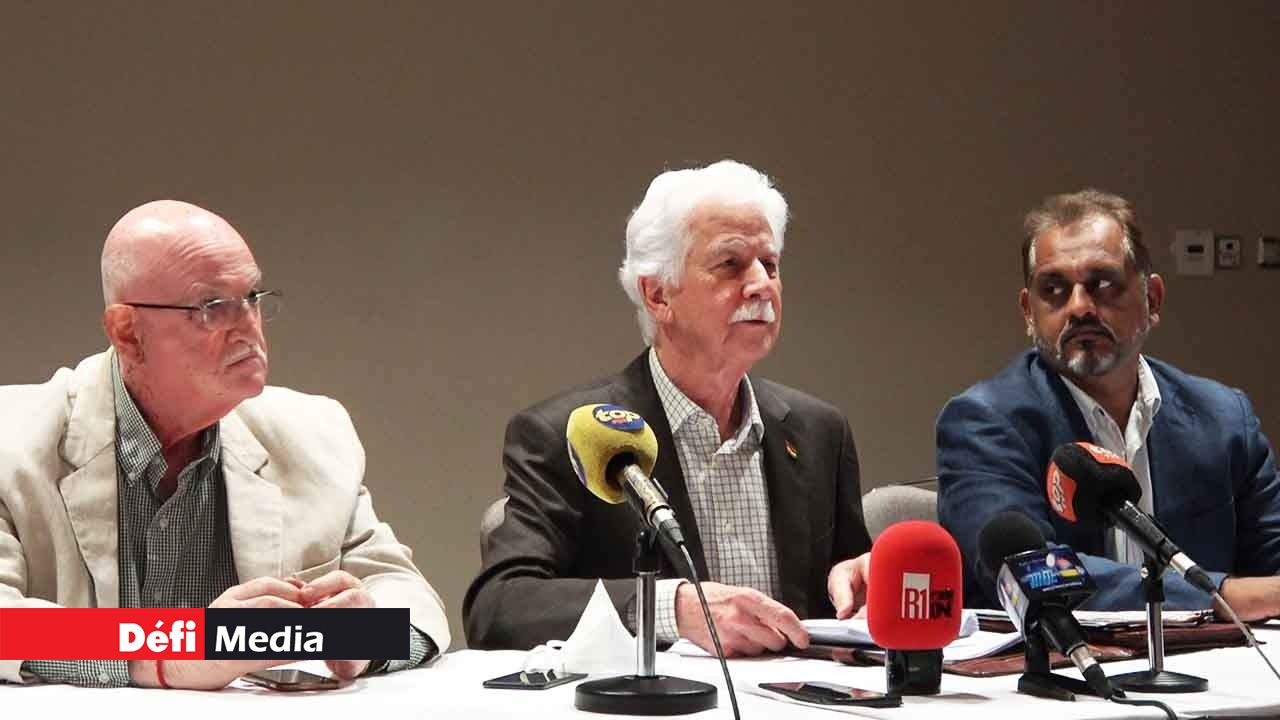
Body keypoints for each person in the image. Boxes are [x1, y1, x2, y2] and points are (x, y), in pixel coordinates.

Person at [0, 200, 449, 687]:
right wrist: (174, 651)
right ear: (128, 332)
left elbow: (409, 596)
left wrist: (364, 636)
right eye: (212, 308)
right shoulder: (13, 438)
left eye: (252, 297)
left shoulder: (315, 435)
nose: (249, 327)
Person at [464, 160, 873, 656]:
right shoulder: (569, 435)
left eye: (770, 264)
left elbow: (850, 593)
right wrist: (670, 609)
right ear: (658, 295)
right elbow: (499, 607)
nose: (761, 285)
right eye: (731, 265)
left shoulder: (819, 431)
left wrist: (865, 583)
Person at [937, 188, 1280, 618]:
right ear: (1028, 312)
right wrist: (1220, 595)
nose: (1080, 307)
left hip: (1221, 657)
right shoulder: (983, 422)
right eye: (1054, 289)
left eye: (1103, 285)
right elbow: (1028, 572)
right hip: (1060, 656)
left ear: (1152, 299)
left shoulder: (1223, 418)